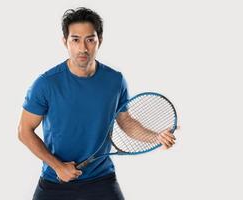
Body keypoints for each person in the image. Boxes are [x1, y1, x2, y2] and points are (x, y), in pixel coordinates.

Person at [18, 7, 176, 200]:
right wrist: (58, 166)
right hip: (56, 180)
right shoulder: (46, 83)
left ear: (99, 40)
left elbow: (126, 123)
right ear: (65, 42)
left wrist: (157, 137)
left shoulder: (115, 81)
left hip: (101, 180)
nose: (83, 48)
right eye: (75, 40)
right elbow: (24, 131)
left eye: (90, 39)